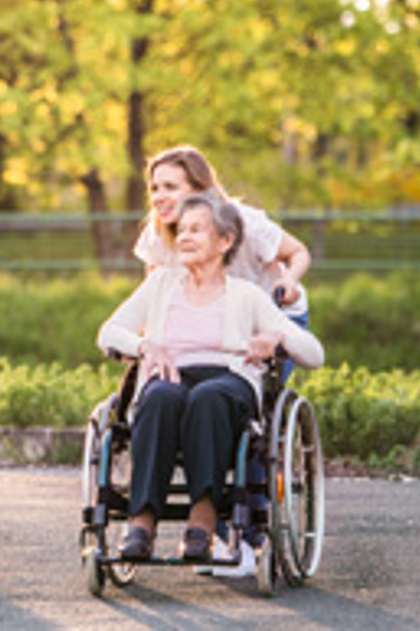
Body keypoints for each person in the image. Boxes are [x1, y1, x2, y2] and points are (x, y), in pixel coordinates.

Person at [97, 192, 324, 563]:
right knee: (158, 398)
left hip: (228, 381)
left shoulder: (247, 295)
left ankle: (202, 518)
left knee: (209, 397)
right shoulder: (160, 284)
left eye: (197, 230)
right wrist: (144, 347)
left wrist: (277, 337)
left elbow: (315, 354)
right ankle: (141, 521)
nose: (184, 237)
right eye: (182, 230)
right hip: (171, 375)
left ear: (225, 241)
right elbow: (109, 332)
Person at [134, 145, 311, 353]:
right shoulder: (158, 232)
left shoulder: (246, 223)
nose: (158, 197)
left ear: (200, 190)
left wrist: (289, 280)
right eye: (154, 188)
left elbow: (298, 252)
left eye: (170, 187)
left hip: (272, 317)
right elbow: (155, 289)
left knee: (244, 380)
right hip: (215, 317)